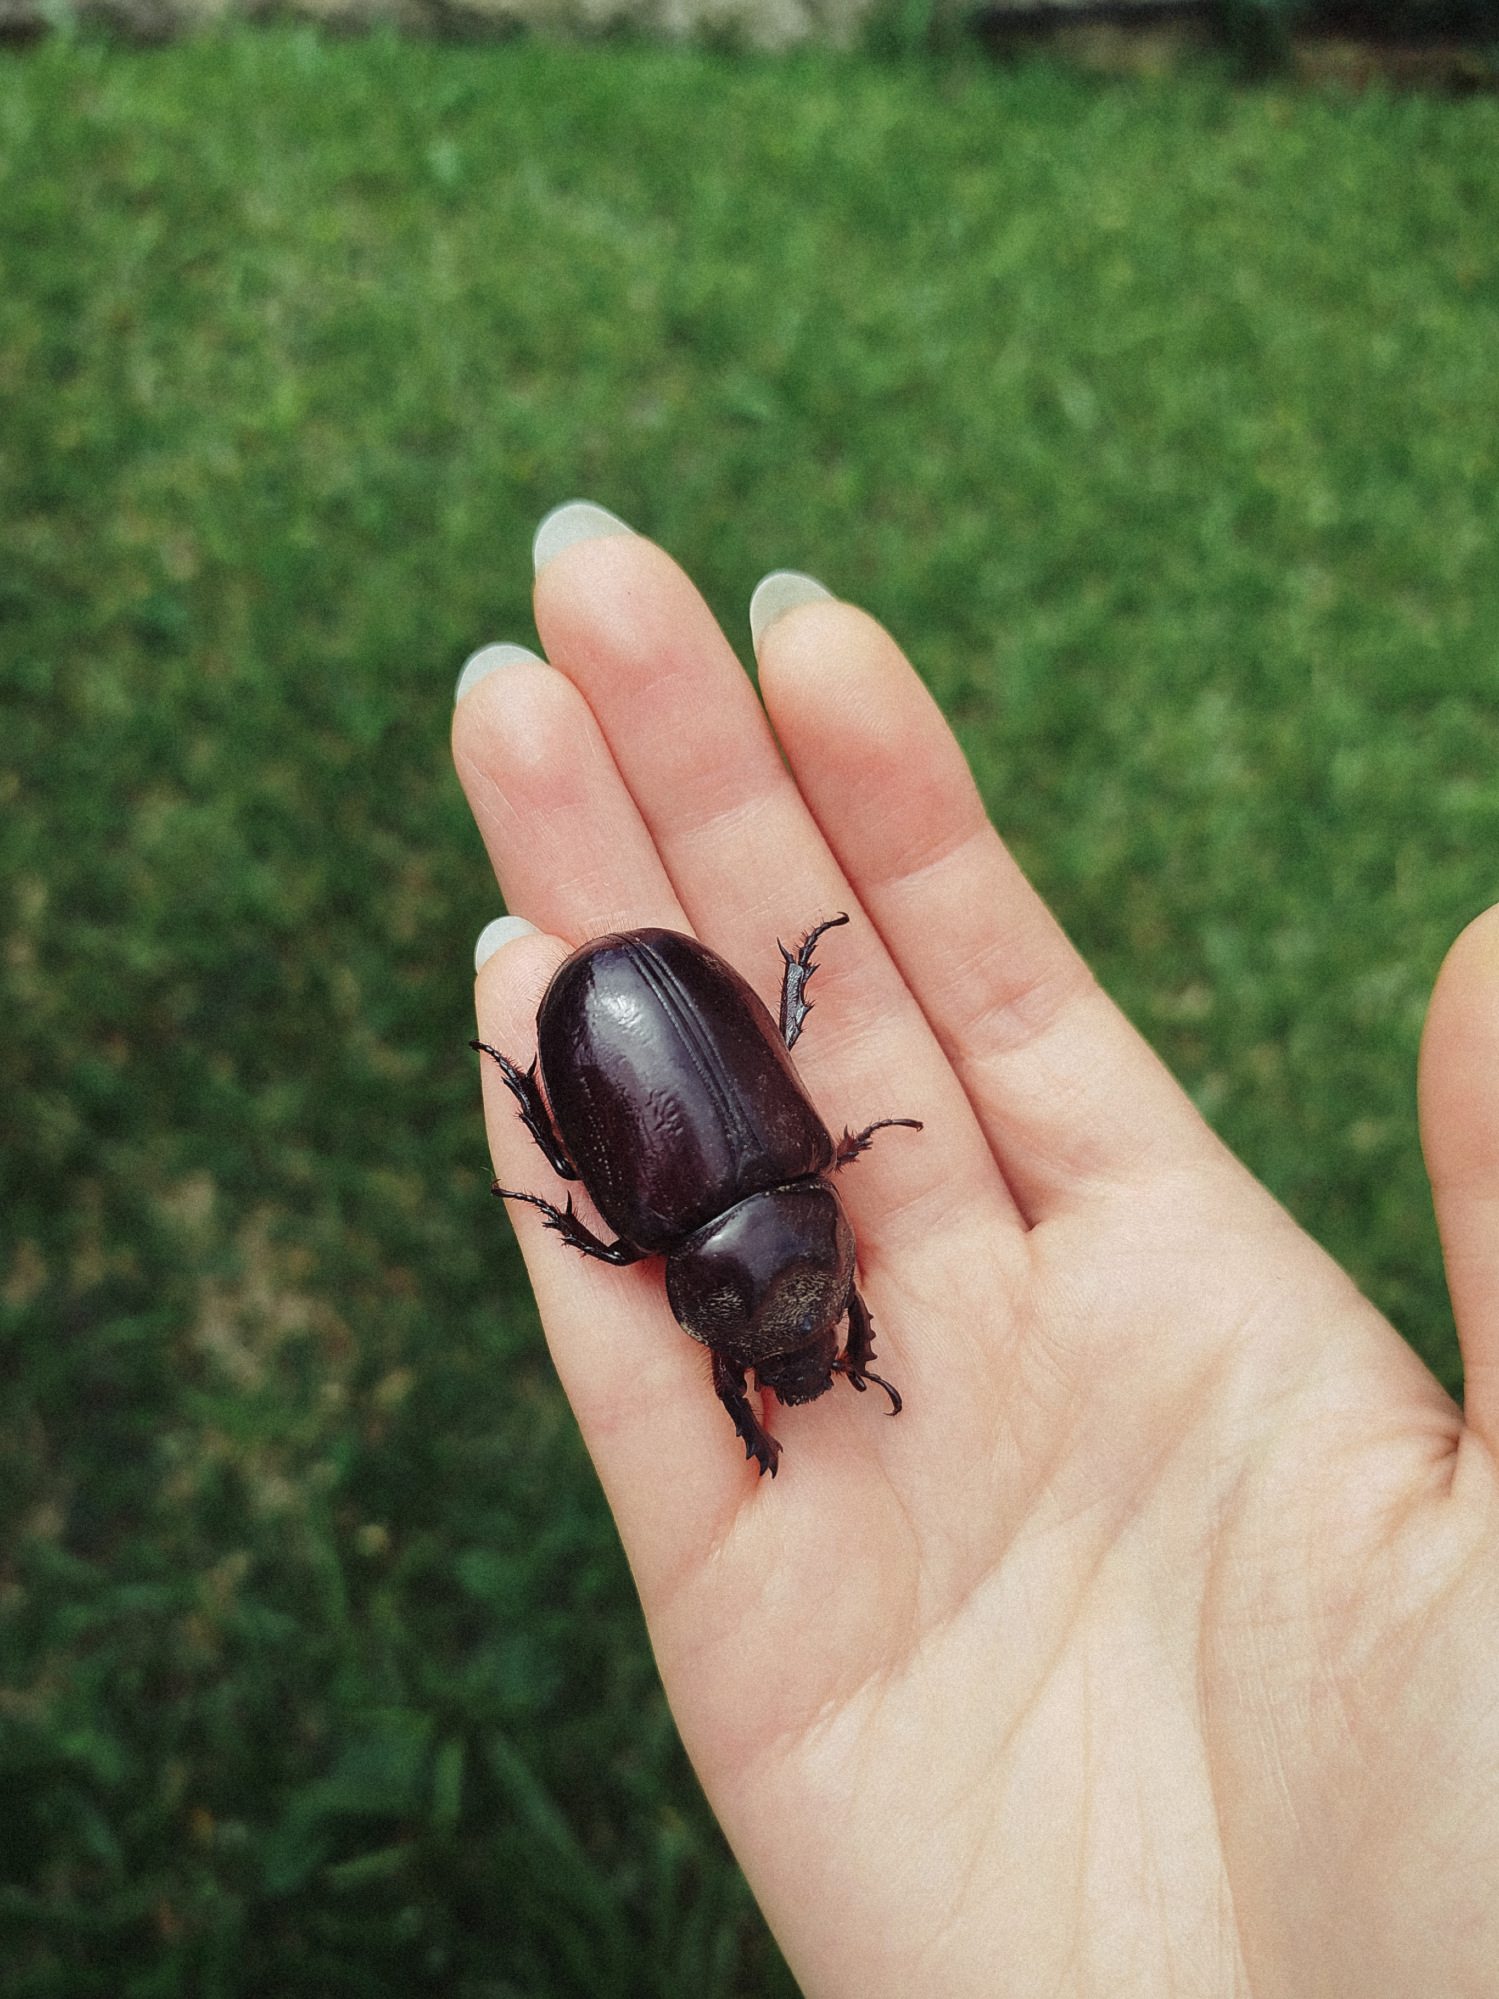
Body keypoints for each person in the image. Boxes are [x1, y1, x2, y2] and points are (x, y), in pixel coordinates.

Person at [451, 501, 1499, 1998]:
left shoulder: (729, 1225)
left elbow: (727, 1280)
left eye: (792, 1335)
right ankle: (594, 1064)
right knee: (609, 1198)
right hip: (652, 1022)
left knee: (592, 1209)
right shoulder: (778, 1209)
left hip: (622, 1038)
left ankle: (559, 1073)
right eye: (823, 1326)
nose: (806, 1340)